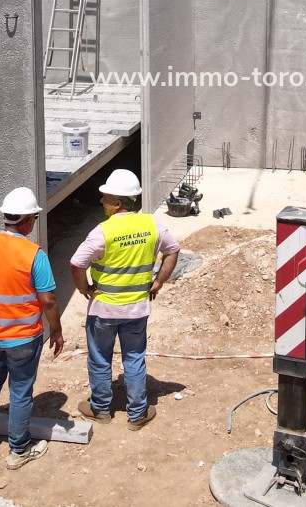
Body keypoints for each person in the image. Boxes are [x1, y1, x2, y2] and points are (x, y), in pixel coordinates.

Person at [70, 169, 179, 431]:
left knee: (99, 358)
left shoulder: (102, 232)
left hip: (104, 310)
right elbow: (172, 249)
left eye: (105, 197)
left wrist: (84, 288)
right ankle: (137, 413)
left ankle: (100, 409)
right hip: (136, 309)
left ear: (118, 203)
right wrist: (158, 282)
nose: (101, 201)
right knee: (134, 358)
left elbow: (76, 262)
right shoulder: (151, 225)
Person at [0, 187, 63, 470]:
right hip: (22, 337)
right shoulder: (33, 254)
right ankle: (18, 450)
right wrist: (56, 330)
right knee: (20, 390)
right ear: (28, 221)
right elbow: (48, 300)